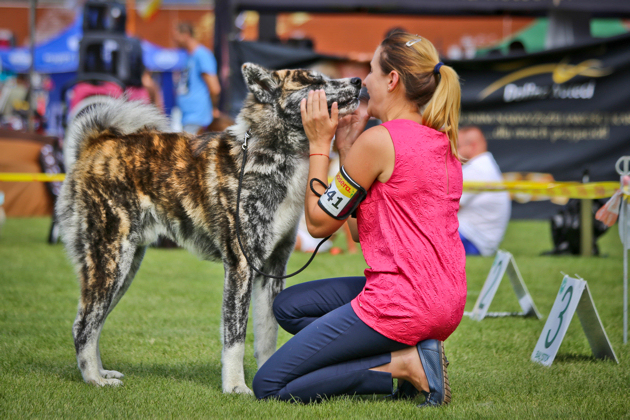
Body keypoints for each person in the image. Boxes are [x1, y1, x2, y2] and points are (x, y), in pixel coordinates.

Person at [253, 32, 466, 406]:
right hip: (443, 302)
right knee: (288, 307)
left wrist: (319, 144)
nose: (364, 80)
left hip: (403, 302)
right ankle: (408, 359)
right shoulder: (438, 139)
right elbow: (358, 227)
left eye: (370, 70)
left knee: (269, 386)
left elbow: (319, 224)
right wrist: (347, 148)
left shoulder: (381, 141)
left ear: (392, 80)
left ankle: (405, 364)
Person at [457, 126, 511, 256]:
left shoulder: (477, 169)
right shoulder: (484, 165)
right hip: (476, 239)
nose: (453, 151)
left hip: (473, 242)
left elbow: (448, 207)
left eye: (457, 146)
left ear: (472, 146)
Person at [173, 22, 221, 135]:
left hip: (198, 117)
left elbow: (214, 88)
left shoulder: (202, 55)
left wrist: (213, 108)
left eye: (176, 35)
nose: (174, 40)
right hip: (187, 117)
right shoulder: (189, 56)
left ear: (186, 35)